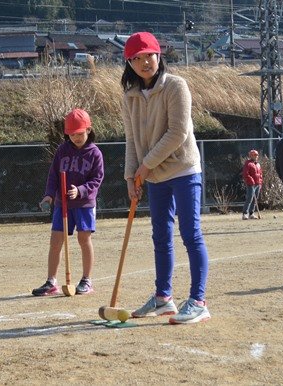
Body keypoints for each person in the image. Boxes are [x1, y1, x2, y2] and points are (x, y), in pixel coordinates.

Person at [121, 31, 210, 325]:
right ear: (129, 63)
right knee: (160, 236)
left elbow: (178, 133)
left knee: (190, 233)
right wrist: (130, 177)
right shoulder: (130, 96)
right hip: (154, 174)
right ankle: (163, 298)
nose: (145, 62)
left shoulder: (176, 86)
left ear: (159, 56)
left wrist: (144, 167)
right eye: (138, 58)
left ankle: (198, 301)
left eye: (150, 55)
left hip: (183, 169)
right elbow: (131, 139)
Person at [32, 108, 104, 296]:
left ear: (88, 130)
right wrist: (49, 195)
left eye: (79, 133)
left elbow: (97, 179)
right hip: (61, 204)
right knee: (55, 241)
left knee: (84, 238)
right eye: (72, 134)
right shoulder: (62, 151)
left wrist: (79, 191)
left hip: (84, 205)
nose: (76, 138)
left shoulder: (95, 154)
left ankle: (87, 280)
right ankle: (51, 282)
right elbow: (53, 176)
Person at [242, 149, 263, 220]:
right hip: (251, 184)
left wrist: (260, 182)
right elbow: (245, 174)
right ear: (251, 156)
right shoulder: (248, 163)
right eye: (255, 155)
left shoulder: (258, 164)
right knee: (249, 198)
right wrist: (251, 181)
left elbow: (260, 174)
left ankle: (251, 213)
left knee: (255, 199)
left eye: (257, 155)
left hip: (258, 184)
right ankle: (245, 213)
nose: (256, 156)